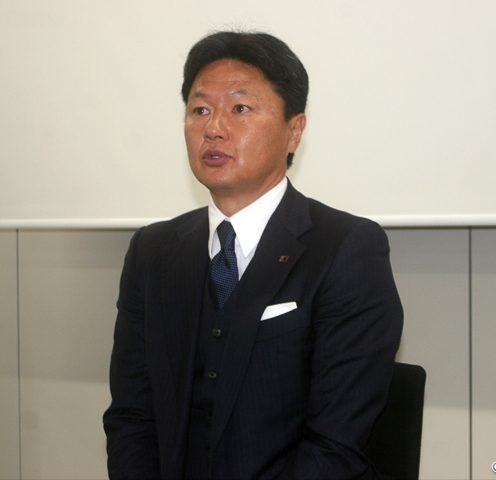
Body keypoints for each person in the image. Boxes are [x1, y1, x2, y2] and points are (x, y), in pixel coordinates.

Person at [103, 31, 403, 480]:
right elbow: (131, 416)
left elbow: (335, 444)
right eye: (200, 110)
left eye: (240, 108)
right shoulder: (153, 251)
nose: (214, 128)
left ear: (294, 131)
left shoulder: (346, 247)